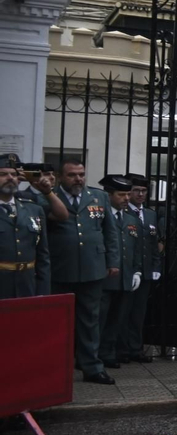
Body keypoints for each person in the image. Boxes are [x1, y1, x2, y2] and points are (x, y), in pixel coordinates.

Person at [49, 158, 119, 383]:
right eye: (72, 175)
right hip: (60, 268)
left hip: (92, 267)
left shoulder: (98, 197)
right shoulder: (50, 197)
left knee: (90, 320)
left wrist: (113, 261)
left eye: (81, 174)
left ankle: (92, 367)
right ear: (60, 177)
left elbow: (110, 231)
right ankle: (57, 367)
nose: (78, 179)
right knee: (58, 320)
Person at [98, 175, 143, 370]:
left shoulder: (132, 219)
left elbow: (136, 249)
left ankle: (108, 353)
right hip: (105, 278)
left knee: (117, 319)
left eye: (127, 194)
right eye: (121, 194)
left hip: (125, 278)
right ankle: (93, 354)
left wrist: (137, 271)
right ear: (109, 195)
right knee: (100, 319)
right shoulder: (100, 217)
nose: (126, 198)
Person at [0, 154, 51, 299]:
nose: (10, 178)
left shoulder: (33, 209)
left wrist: (43, 291)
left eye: (14, 174)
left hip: (27, 284)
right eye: (3, 174)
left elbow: (43, 255)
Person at [123, 174, 160, 363]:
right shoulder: (124, 212)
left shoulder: (150, 214)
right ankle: (121, 350)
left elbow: (154, 243)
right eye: (136, 190)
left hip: (145, 271)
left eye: (144, 191)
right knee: (123, 312)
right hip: (128, 270)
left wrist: (156, 266)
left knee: (139, 313)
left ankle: (136, 349)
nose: (140, 194)